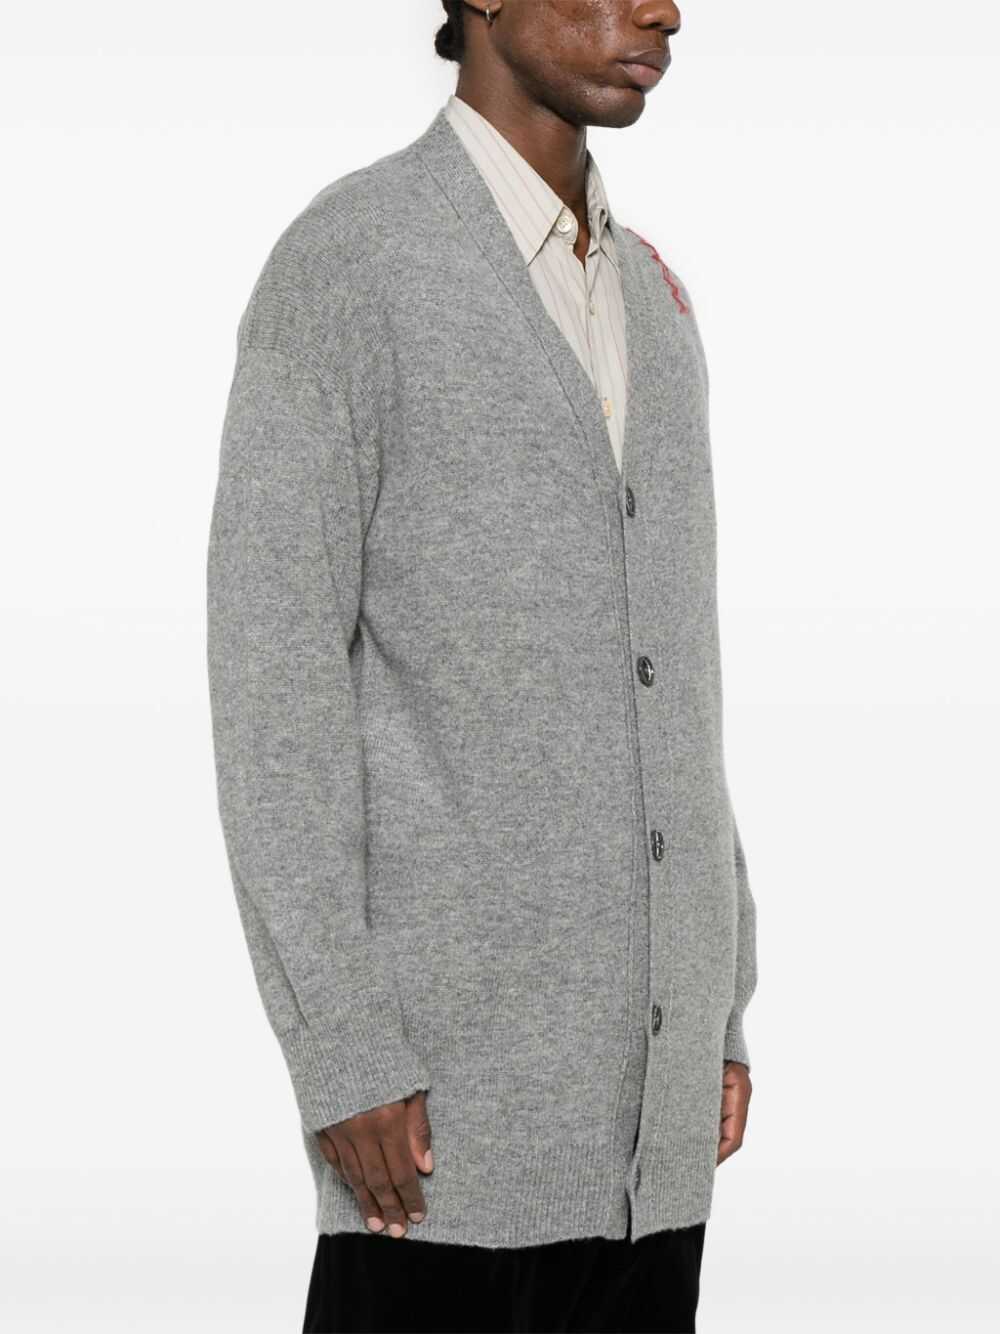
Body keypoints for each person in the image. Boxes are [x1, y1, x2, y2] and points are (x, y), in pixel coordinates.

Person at [206, 1, 760, 1330]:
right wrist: (341, 1042)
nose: (664, 10)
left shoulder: (653, 298)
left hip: (650, 1141)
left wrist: (715, 1006)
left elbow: (676, 683)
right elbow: (272, 674)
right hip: (439, 1132)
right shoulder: (353, 264)